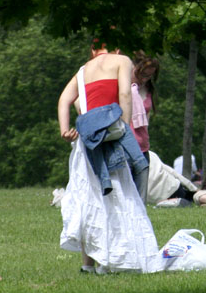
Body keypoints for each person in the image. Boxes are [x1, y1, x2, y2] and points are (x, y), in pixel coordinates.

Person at [57, 41, 162, 274]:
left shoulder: (83, 70)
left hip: (87, 141)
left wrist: (65, 130)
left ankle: (88, 265)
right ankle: (115, 259)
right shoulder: (121, 61)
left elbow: (65, 100)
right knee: (118, 196)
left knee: (89, 199)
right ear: (116, 48)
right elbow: (125, 93)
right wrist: (123, 129)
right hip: (110, 137)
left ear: (94, 49)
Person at [130, 52, 160, 199]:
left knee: (140, 197)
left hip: (142, 148)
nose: (144, 79)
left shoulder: (147, 90)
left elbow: (146, 119)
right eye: (142, 74)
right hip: (125, 147)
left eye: (149, 76)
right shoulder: (124, 88)